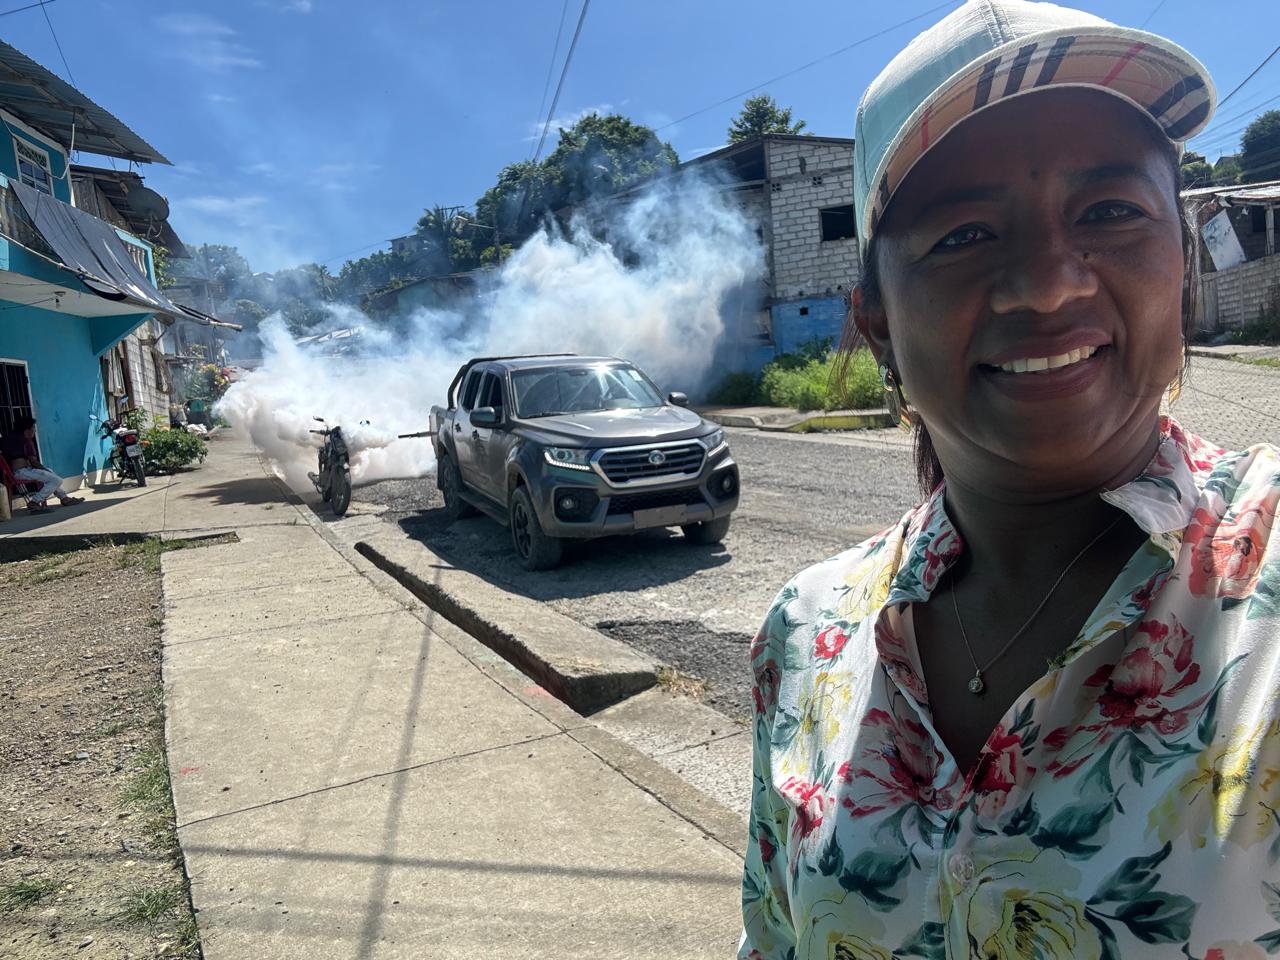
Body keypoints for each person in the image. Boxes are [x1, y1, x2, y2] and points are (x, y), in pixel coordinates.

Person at [740, 2, 1279, 958]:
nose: (1050, 282)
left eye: (1109, 212)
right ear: (877, 324)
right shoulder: (804, 633)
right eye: (964, 234)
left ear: (1183, 262)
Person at [1, 416, 85, 513]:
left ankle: (64, 498)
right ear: (27, 430)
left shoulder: (6, 440)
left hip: (12, 473)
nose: (35, 431)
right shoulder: (26, 442)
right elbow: (34, 463)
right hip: (21, 472)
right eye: (33, 428)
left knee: (50, 473)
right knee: (56, 480)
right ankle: (35, 501)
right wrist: (45, 470)